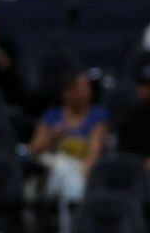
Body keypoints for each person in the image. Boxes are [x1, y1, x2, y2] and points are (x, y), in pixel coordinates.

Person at [31, 68, 109, 206]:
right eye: (76, 88)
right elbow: (35, 149)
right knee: (61, 168)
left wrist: (84, 174)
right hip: (52, 168)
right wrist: (52, 136)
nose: (82, 92)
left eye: (85, 88)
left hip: (79, 168)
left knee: (68, 175)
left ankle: (68, 215)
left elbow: (94, 152)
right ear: (65, 92)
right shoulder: (52, 116)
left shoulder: (97, 116)